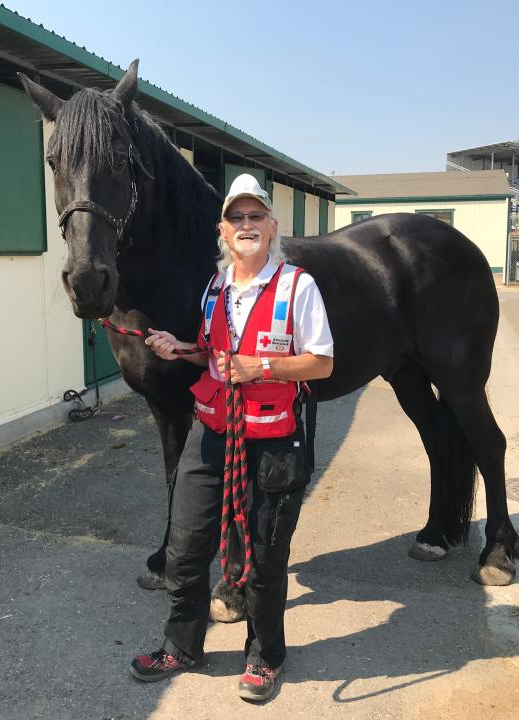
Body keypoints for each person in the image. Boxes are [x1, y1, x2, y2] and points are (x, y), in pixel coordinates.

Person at [130, 173, 334, 702]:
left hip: (271, 439)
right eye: (237, 218)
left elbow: (324, 362)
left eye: (255, 216)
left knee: (265, 559)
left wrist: (260, 365)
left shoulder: (297, 286)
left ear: (271, 225)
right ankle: (183, 646)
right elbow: (213, 353)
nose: (246, 225)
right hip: (212, 431)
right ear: (223, 230)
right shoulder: (216, 287)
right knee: (185, 546)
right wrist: (180, 348)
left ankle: (265, 657)